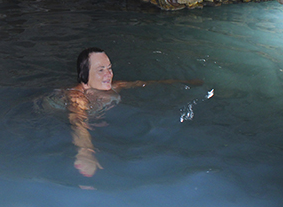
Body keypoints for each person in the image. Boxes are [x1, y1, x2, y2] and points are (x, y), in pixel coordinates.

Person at [66, 47, 202, 177]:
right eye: (101, 70)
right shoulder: (78, 98)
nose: (109, 74)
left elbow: (143, 83)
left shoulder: (114, 86)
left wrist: (184, 82)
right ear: (84, 75)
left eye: (109, 68)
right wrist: (85, 153)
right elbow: (78, 122)